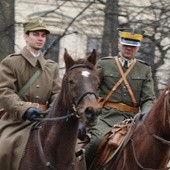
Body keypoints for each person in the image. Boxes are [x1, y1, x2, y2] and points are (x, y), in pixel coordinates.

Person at [84, 28, 156, 168]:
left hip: (132, 120)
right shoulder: (105, 64)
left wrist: (145, 116)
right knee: (95, 142)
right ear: (119, 44)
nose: (129, 48)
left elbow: (148, 98)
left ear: (138, 48)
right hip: (106, 117)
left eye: (133, 46)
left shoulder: (144, 69)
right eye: (126, 45)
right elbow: (92, 89)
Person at [0, 18, 61, 170]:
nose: (40, 38)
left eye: (43, 35)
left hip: (46, 119)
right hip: (17, 121)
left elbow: (57, 94)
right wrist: (24, 109)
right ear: (26, 36)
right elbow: (5, 92)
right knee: (3, 150)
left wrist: (54, 109)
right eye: (36, 34)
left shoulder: (52, 67)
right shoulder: (11, 62)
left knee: (77, 152)